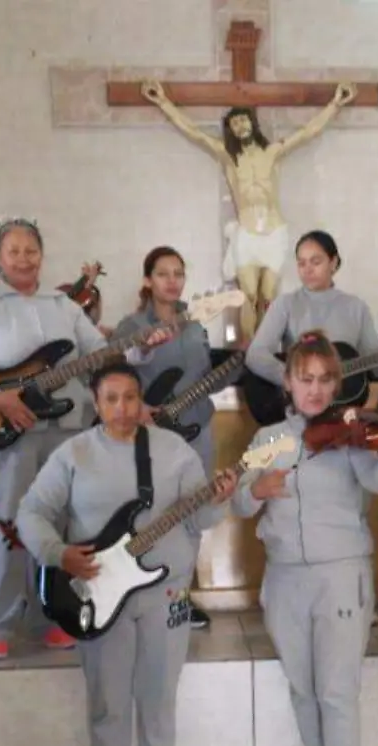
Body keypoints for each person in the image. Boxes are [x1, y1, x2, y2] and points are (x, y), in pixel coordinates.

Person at [18, 365, 237, 746]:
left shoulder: (174, 450)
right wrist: (58, 554)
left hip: (168, 592)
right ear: (96, 404)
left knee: (159, 695)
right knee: (108, 698)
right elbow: (31, 513)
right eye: (111, 399)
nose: (122, 408)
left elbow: (200, 521)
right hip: (98, 595)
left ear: (142, 401)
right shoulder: (72, 454)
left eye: (131, 398)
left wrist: (222, 498)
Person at [0, 218, 166, 657]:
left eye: (31, 250)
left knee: (61, 527)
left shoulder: (64, 307)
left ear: (42, 255)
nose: (23, 258)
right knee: (5, 527)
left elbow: (98, 356)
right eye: (14, 251)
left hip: (65, 434)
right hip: (8, 434)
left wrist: (142, 345)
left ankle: (53, 616)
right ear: (0, 258)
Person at [233, 331, 378, 746]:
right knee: (303, 687)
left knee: (337, 689)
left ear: (337, 384)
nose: (315, 390)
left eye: (324, 380)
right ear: (288, 383)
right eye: (305, 379)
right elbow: (235, 500)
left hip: (341, 573)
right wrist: (257, 490)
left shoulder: (349, 432)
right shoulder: (268, 440)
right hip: (284, 577)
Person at [141, 80, 356, 339]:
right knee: (248, 294)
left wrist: (335, 104)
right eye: (234, 123)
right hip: (248, 233)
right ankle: (248, 346)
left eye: (243, 120)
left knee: (268, 296)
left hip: (274, 230)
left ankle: (262, 345)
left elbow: (308, 132)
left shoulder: (272, 151)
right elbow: (194, 133)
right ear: (230, 129)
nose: (240, 125)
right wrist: (164, 102)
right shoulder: (229, 156)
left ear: (252, 123)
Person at [116, 246, 218, 628]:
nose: (172, 281)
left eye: (179, 273)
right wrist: (138, 407)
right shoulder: (129, 327)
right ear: (148, 280)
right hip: (150, 436)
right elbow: (114, 380)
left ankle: (181, 602)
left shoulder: (196, 324)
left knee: (192, 515)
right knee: (151, 517)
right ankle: (142, 600)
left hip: (198, 430)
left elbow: (204, 375)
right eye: (163, 273)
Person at [244, 231, 378, 391]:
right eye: (301, 263)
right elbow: (255, 355)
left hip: (345, 402)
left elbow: (377, 365)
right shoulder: (285, 304)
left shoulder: (357, 308)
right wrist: (293, 380)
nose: (307, 270)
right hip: (299, 404)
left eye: (315, 262)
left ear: (333, 262)